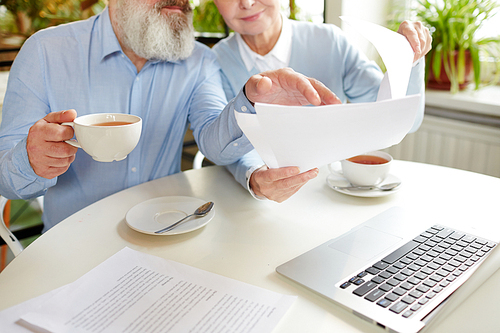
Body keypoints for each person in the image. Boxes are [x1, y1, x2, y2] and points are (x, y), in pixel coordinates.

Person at [0, 0, 340, 232]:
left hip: (165, 233)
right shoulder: (45, 52)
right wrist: (31, 159)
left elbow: (215, 144)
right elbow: (6, 180)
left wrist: (250, 101)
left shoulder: (199, 61)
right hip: (71, 244)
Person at [211, 0, 432, 203]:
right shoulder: (214, 61)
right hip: (254, 203)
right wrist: (254, 176)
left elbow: (400, 119)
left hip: (334, 195)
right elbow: (225, 146)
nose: (247, 3)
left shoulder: (331, 42)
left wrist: (408, 57)